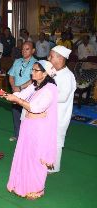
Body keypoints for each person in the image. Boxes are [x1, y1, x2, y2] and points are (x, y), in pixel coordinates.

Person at [4, 60, 58, 199]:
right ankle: (22, 184)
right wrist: (8, 96)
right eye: (32, 69)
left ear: (45, 73)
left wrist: (18, 101)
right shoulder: (36, 85)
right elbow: (21, 95)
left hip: (40, 129)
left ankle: (38, 189)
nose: (32, 72)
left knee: (36, 159)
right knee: (25, 155)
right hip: (28, 125)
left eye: (35, 70)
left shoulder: (50, 89)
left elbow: (36, 107)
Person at [48, 45, 76, 173]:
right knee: (48, 140)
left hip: (60, 115)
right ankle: (47, 162)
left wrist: (45, 96)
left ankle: (54, 167)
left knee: (57, 142)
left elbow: (63, 97)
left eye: (51, 56)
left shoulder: (67, 76)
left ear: (60, 58)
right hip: (49, 113)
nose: (49, 58)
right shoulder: (53, 71)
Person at [8, 41, 37, 141]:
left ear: (33, 51)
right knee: (16, 113)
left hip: (29, 93)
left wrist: (20, 87)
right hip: (16, 92)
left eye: (27, 49)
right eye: (23, 49)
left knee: (28, 116)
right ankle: (17, 134)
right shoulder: (17, 61)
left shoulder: (36, 63)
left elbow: (34, 79)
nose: (24, 51)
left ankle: (28, 137)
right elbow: (11, 75)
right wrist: (13, 87)